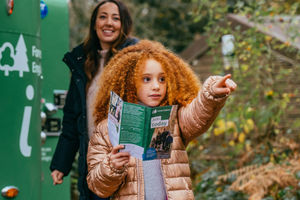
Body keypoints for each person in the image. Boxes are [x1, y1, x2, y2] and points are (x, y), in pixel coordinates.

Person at [86, 40, 237, 200]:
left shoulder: (175, 119)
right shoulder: (106, 129)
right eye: (146, 79)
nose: (156, 86)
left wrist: (212, 93)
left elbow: (197, 113)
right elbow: (97, 185)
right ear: (129, 82)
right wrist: (112, 166)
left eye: (162, 79)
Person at [49, 0, 139, 199]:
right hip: (91, 164)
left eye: (116, 18)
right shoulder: (82, 63)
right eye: (103, 17)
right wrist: (61, 164)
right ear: (94, 23)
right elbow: (73, 118)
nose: (109, 23)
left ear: (124, 24)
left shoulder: (136, 60)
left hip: (124, 163)